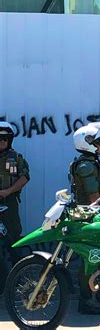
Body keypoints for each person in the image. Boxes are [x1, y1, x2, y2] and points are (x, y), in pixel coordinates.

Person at [69, 121, 100, 314]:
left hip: (94, 215)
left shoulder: (92, 163)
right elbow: (94, 197)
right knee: (90, 259)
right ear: (88, 142)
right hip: (89, 218)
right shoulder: (86, 166)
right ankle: (86, 300)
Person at [0, 122, 29, 294]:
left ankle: (19, 281)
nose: (1, 141)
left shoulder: (15, 158)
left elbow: (25, 177)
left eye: (5, 138)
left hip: (9, 204)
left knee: (14, 241)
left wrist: (7, 191)